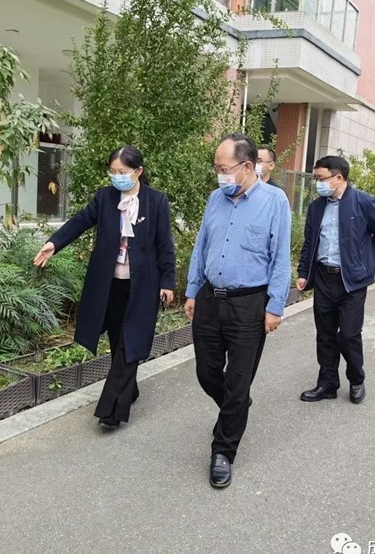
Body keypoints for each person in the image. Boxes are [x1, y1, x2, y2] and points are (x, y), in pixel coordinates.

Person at [33, 146, 175, 430]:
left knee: (131, 341)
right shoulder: (105, 197)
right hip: (110, 283)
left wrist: (168, 282)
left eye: (123, 172)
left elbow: (164, 244)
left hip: (142, 285)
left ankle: (111, 410)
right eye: (113, 171)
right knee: (117, 338)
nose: (117, 176)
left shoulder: (156, 201)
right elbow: (80, 221)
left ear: (138, 171)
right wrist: (54, 243)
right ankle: (129, 389)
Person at [185, 133, 291, 489]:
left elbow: (280, 257)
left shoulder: (274, 201)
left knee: (239, 379)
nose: (220, 174)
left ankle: (223, 451)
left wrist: (275, 305)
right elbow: (201, 245)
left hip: (249, 304)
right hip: (210, 300)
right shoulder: (214, 199)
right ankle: (237, 406)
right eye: (217, 168)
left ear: (247, 167)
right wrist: (192, 290)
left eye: (224, 168)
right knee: (207, 372)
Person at [296, 156, 375, 405]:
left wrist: (364, 263)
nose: (318, 183)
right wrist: (304, 272)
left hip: (352, 282)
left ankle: (356, 379)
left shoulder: (363, 202)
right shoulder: (317, 207)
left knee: (349, 334)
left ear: (338, 177)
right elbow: (309, 243)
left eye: (321, 178)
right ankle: (327, 384)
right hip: (323, 278)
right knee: (325, 335)